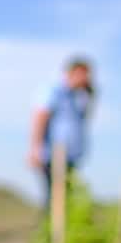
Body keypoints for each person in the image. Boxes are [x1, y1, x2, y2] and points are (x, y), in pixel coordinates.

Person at [27, 56, 95, 210]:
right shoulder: (54, 91)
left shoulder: (78, 98)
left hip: (70, 157)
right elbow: (40, 117)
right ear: (72, 73)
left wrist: (91, 95)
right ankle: (50, 232)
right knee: (55, 200)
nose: (86, 79)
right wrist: (35, 148)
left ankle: (56, 231)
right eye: (83, 75)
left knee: (66, 199)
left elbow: (86, 119)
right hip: (54, 155)